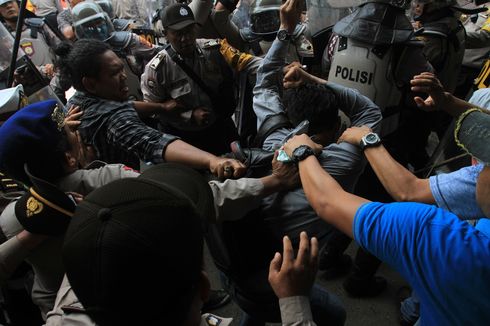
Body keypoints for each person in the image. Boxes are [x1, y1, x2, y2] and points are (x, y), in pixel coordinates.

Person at [281, 77, 490, 325]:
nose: (475, 165)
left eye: (485, 162)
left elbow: (327, 201)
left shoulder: (437, 236)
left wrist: (302, 151)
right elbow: (365, 109)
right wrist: (447, 102)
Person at [251, 0, 383, 301]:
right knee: (327, 312)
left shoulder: (274, 137)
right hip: (289, 263)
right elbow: (368, 110)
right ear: (337, 124)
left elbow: (263, 82)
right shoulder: (341, 162)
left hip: (248, 246)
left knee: (254, 306)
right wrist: (312, 78)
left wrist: (285, 30)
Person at [57, 38, 244, 178]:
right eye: (114, 73)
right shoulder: (114, 119)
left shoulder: (76, 102)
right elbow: (153, 143)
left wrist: (161, 107)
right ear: (90, 83)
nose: (123, 76)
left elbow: (125, 104)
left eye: (122, 68)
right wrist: (212, 161)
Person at [141, 3, 260, 155]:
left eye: (189, 30)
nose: (186, 38)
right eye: (178, 33)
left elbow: (245, 61)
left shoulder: (215, 49)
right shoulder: (157, 70)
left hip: (219, 128)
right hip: (184, 138)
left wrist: (280, 67)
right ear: (165, 34)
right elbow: (153, 110)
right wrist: (189, 115)